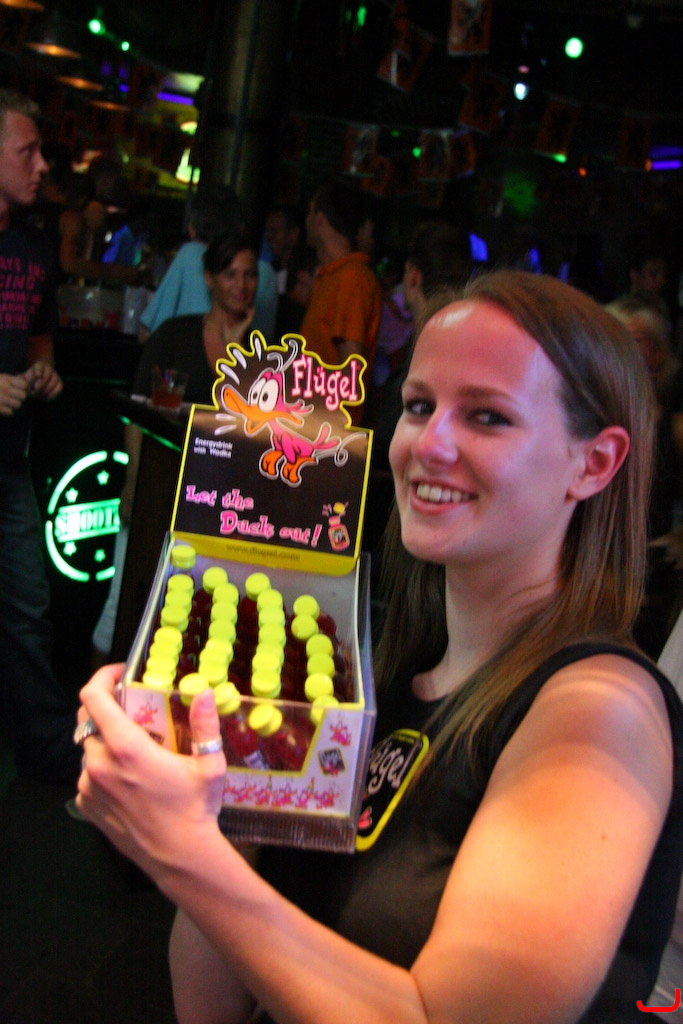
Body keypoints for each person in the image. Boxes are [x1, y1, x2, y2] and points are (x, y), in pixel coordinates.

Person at [74, 270, 683, 1024]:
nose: (429, 444)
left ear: (593, 462)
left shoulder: (600, 711)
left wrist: (179, 851)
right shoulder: (378, 684)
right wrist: (223, 809)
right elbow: (213, 1006)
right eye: (419, 406)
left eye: (487, 417)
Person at [90, 232, 259, 665]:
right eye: (230, 274)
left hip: (215, 500)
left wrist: (239, 346)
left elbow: (250, 428)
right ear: (209, 279)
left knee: (191, 611)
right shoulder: (174, 335)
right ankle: (95, 695)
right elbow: (138, 411)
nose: (241, 285)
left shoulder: (260, 352)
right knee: (121, 604)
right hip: (157, 484)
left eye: (250, 275)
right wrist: (133, 481)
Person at [0, 88, 81, 785]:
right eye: (26, 151)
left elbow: (39, 334)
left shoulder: (33, 246)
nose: (42, 165)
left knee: (28, 605)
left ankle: (45, 751)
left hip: (8, 464)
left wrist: (44, 369)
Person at [138, 185, 277, 345]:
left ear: (191, 230)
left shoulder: (190, 255)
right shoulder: (266, 273)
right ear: (241, 229)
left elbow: (147, 333)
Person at [300, 178, 382, 397]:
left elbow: (350, 375)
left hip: (328, 418)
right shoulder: (335, 275)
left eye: (309, 212)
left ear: (319, 219)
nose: (305, 220)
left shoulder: (351, 278)